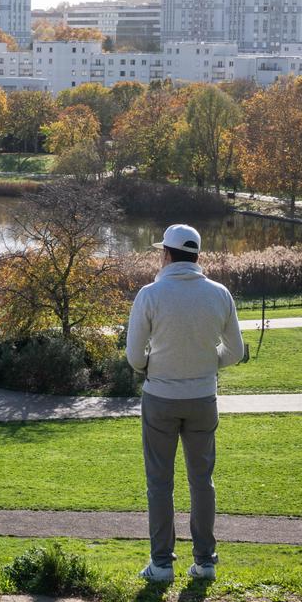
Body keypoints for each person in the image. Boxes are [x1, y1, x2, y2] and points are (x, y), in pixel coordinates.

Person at [126, 224, 246, 582]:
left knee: (159, 483)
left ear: (166, 254)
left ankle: (161, 565)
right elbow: (236, 352)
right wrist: (208, 364)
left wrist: (154, 366)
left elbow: (134, 356)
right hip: (202, 399)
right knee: (201, 481)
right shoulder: (219, 293)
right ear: (197, 256)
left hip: (160, 398)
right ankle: (205, 561)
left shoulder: (150, 294)